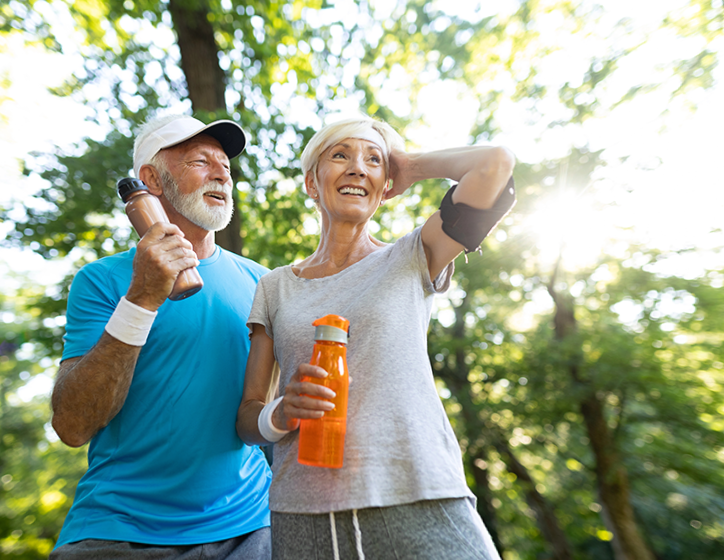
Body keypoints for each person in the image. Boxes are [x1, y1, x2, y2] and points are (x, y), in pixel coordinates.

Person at [236, 115, 516, 559]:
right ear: (312, 183)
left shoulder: (415, 255)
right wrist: (281, 412)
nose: (356, 167)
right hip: (306, 513)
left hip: (420, 492)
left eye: (372, 160)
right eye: (340, 155)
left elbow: (495, 164)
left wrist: (408, 166)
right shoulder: (275, 286)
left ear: (386, 185)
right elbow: (247, 418)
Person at [49, 114, 272, 559]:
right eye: (200, 162)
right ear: (150, 179)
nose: (221, 174)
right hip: (120, 533)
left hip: (253, 530)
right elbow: (72, 425)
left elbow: (273, 411)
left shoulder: (264, 283)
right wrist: (144, 296)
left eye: (225, 167)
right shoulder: (101, 280)